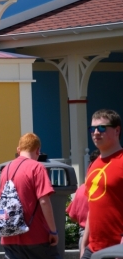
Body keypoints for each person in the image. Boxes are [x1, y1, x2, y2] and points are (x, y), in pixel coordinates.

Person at [0, 133, 58, 259]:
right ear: (38, 150)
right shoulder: (37, 168)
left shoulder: (5, 170)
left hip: (9, 237)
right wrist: (53, 231)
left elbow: (0, 201)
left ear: (18, 150)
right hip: (36, 236)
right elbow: (44, 201)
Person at [80, 109, 123, 259]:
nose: (96, 132)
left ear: (117, 130)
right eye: (93, 128)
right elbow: (93, 206)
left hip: (116, 250)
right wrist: (84, 244)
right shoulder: (93, 164)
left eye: (102, 128)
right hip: (92, 250)